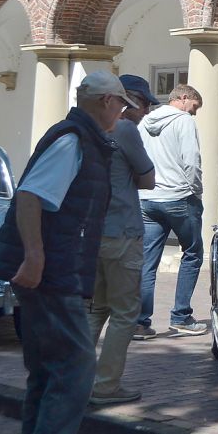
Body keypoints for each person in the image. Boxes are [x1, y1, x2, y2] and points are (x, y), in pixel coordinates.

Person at [0, 70, 136, 434]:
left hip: (55, 270)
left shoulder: (83, 139)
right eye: (121, 104)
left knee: (48, 371)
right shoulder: (74, 139)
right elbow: (30, 196)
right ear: (107, 101)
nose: (123, 112)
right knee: (75, 369)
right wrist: (35, 256)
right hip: (54, 275)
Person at [86, 75, 158, 405]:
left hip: (93, 231)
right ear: (126, 100)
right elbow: (147, 178)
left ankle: (78, 377)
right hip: (122, 230)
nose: (144, 112)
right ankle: (105, 385)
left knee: (96, 308)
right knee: (125, 312)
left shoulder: (88, 128)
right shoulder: (125, 128)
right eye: (143, 104)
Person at [135, 84, 207, 339]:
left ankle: (140, 322)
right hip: (178, 197)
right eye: (195, 107)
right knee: (192, 253)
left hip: (147, 198)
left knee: (147, 261)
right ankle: (181, 316)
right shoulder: (183, 121)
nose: (194, 113)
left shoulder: (144, 121)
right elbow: (191, 160)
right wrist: (196, 190)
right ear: (183, 98)